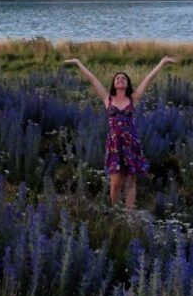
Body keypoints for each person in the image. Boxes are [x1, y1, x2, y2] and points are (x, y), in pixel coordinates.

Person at [63, 55, 177, 208]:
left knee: (131, 180)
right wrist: (78, 63)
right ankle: (115, 211)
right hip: (115, 145)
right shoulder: (107, 98)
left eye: (123, 78)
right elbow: (92, 79)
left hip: (131, 144)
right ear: (114, 84)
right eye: (117, 78)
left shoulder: (133, 98)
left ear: (127, 83)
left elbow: (148, 80)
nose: (120, 79)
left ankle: (129, 216)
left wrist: (162, 62)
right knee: (115, 183)